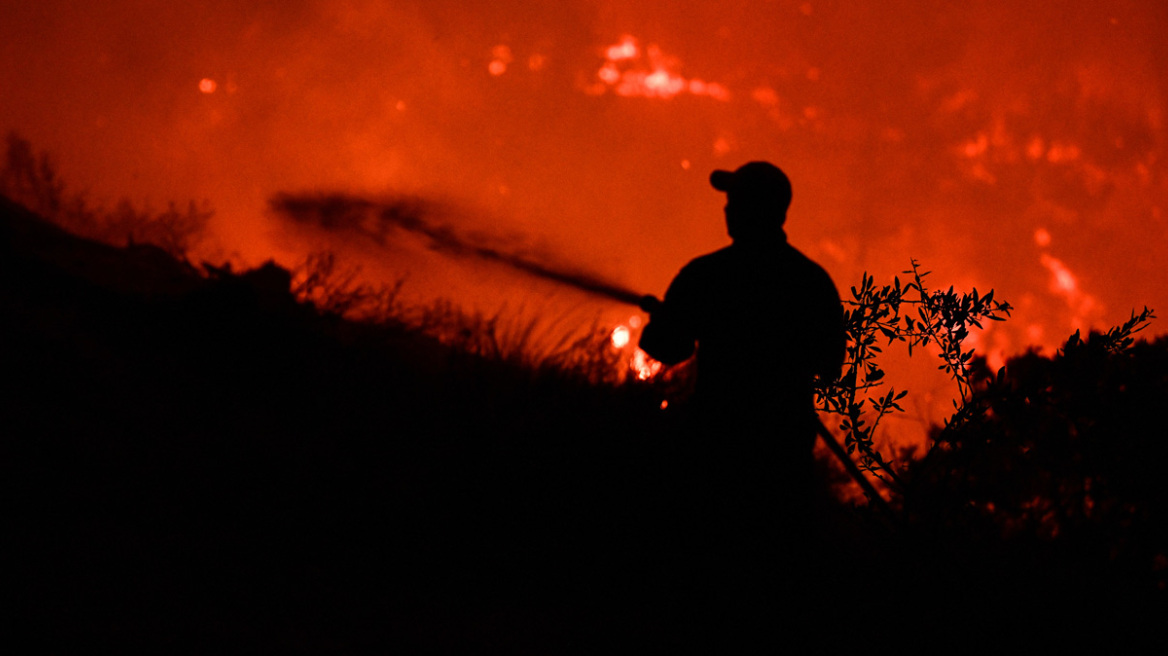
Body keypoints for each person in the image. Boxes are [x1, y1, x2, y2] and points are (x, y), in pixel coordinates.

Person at [638, 161, 845, 602]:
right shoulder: (811, 281)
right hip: (785, 455)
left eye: (734, 202)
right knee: (774, 581)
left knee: (707, 576)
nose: (727, 210)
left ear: (754, 209)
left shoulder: (707, 274)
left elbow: (667, 347)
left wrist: (664, 321)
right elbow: (830, 367)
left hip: (714, 450)